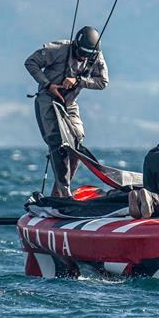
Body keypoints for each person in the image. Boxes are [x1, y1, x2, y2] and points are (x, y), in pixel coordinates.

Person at [25, 26, 108, 197]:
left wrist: (79, 80)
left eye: (88, 55)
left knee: (76, 146)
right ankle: (64, 191)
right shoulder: (57, 49)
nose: (83, 58)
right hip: (48, 99)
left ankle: (58, 194)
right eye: (81, 53)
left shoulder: (95, 56)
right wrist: (48, 84)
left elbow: (102, 82)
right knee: (58, 143)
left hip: (69, 103)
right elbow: (30, 62)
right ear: (75, 45)